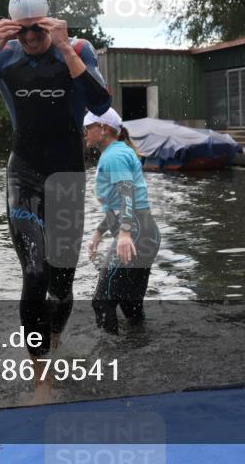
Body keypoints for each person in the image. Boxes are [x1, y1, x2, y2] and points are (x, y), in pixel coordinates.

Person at [0, 0, 111, 398]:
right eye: (21, 31)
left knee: (61, 282)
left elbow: (99, 104)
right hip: (24, 175)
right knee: (35, 272)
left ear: (50, 21)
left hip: (67, 178)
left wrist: (68, 51)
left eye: (37, 27)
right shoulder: (4, 58)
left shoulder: (77, 48)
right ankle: (41, 374)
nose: (30, 37)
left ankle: (53, 337)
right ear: (12, 30)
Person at [84, 108, 161, 334]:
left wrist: (125, 234)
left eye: (88, 127)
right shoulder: (117, 152)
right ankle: (139, 351)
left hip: (135, 233)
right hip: (146, 233)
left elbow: (127, 192)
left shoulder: (114, 156)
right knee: (130, 305)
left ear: (104, 129)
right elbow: (116, 205)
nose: (85, 132)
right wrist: (98, 234)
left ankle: (110, 361)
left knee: (102, 301)